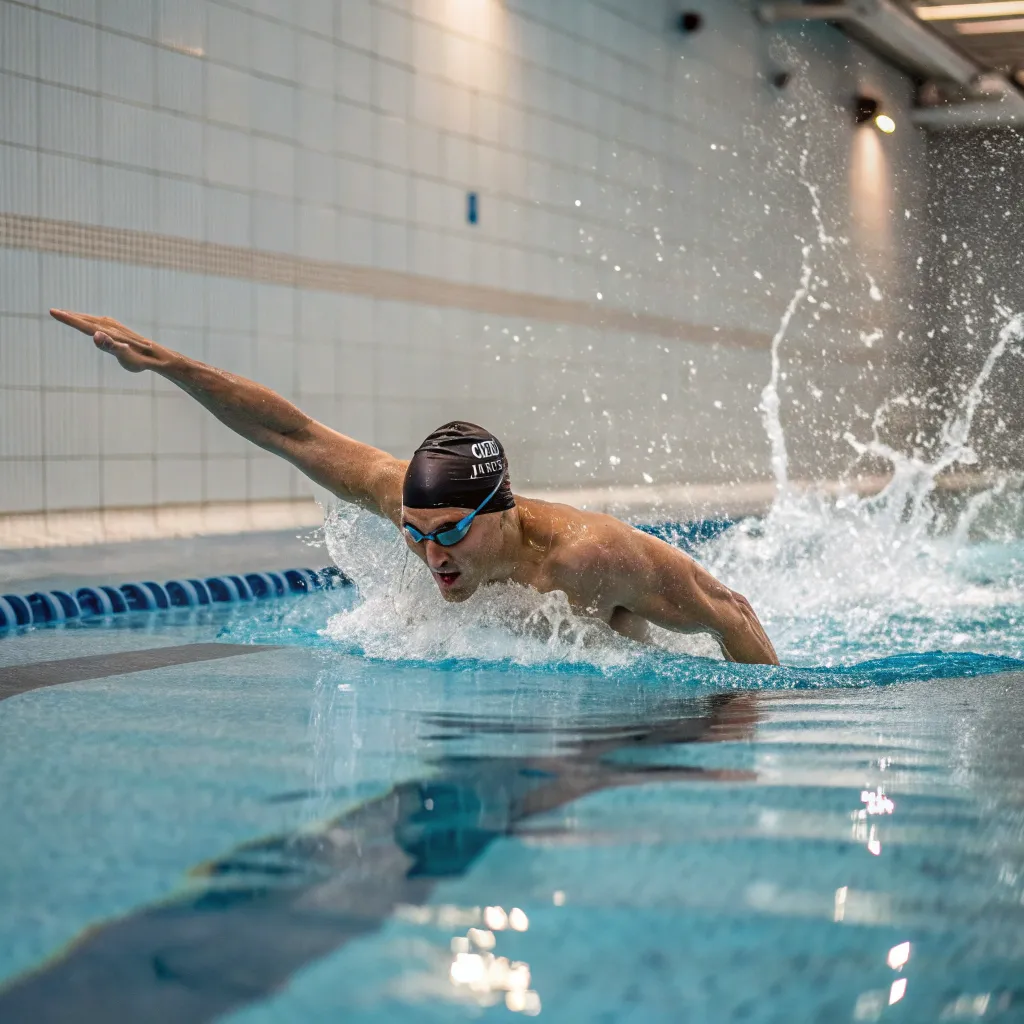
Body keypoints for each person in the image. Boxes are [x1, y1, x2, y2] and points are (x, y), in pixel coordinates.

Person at [49, 309, 779, 665]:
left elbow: (731, 615)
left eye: (452, 533)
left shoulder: (593, 557)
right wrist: (170, 365)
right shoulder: (403, 497)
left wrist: (744, 727)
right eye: (416, 535)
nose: (432, 557)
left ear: (503, 512)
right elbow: (291, 433)